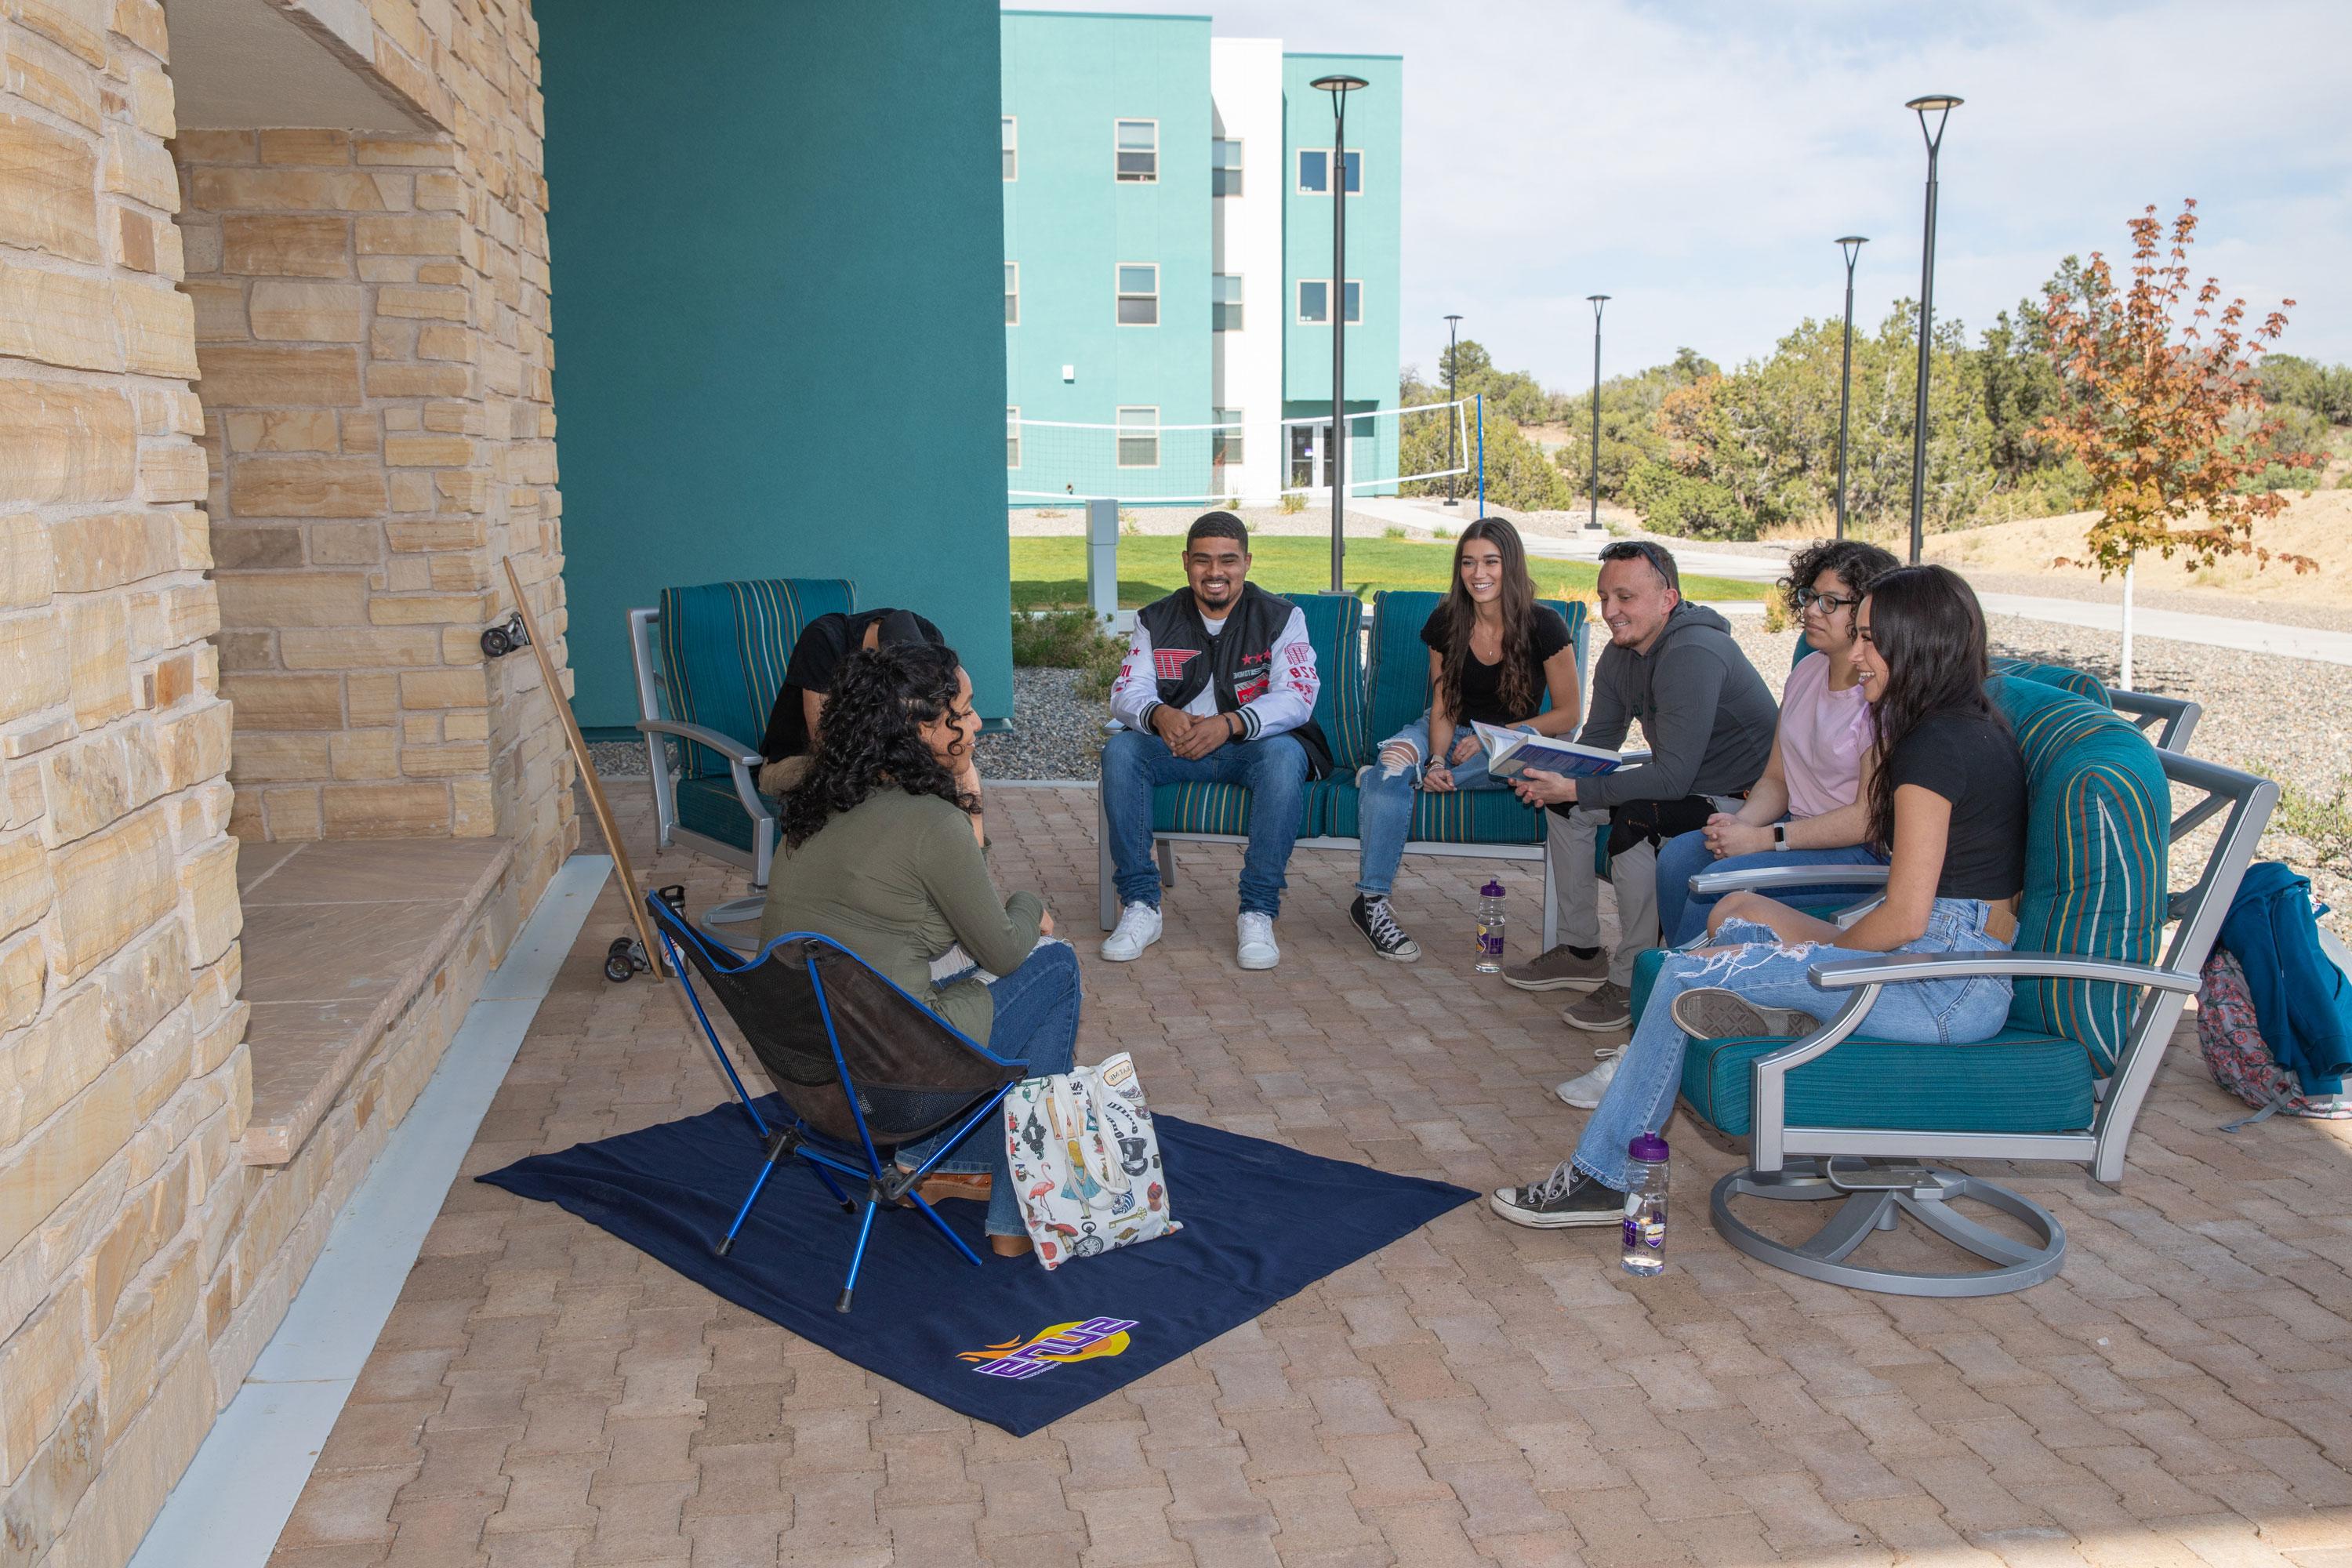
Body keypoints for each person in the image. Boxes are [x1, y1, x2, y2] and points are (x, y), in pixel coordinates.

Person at [1490, 565, 2028, 1230]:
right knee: (1740, 921)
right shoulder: (1960, 725)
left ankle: (1603, 1177)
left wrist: (1816, 955)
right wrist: (1794, 941)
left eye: (1868, 639)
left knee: (1688, 972)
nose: (1855, 655)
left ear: (1916, 643)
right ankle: (1783, 1015)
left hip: (1938, 983)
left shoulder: (1934, 748)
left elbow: (1905, 916)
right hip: (1946, 963)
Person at [1554, 539, 1900, 1109]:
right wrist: (1739, 827)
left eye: (1830, 602)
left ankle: (1650, 1041)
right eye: (1810, 596)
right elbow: (1776, 780)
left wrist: (1763, 839)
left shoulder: (1882, 695)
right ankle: (1673, 1007)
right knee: (1686, 855)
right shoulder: (1810, 672)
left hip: (1853, 857)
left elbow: (1867, 820)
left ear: (1871, 614)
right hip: (1793, 828)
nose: (1810, 609)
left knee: (1708, 881)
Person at [760, 641, 1073, 1258]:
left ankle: (935, 1161)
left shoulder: (818, 799)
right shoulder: (930, 821)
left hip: (806, 1073)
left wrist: (964, 785)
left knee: (957, 965)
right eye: (967, 710)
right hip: (895, 1086)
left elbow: (935, 918)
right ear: (926, 727)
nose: (979, 723)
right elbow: (1005, 950)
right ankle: (1016, 1213)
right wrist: (1031, 903)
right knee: (1053, 965)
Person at [1502, 540, 1777, 1032]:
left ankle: (1636, 977)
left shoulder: (1694, 651)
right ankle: (1582, 948)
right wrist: (1554, 776)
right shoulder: (1621, 653)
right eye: (1604, 597)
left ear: (1667, 599)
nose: (1610, 611)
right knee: (1563, 806)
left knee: (1634, 821)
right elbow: (1601, 742)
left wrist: (1577, 789)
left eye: (1625, 597)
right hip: (1686, 783)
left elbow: (1672, 777)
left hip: (1744, 799)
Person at [1101, 511, 1330, 971]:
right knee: (1122, 750)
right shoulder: (1155, 619)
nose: (1215, 572)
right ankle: (1141, 905)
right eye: (1203, 560)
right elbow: (1127, 691)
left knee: (1287, 757)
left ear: (1247, 562)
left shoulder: (1283, 617)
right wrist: (1158, 713)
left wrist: (1229, 724)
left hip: (1251, 748)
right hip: (1178, 747)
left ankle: (1258, 911)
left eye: (1228, 560)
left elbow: (1299, 696)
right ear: (1186, 562)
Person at [1348, 517, 1580, 961]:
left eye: (1490, 561)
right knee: (1397, 759)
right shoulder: (1446, 622)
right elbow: (1443, 705)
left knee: (1506, 761)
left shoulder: (1544, 625)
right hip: (1451, 731)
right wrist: (1436, 760)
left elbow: (1569, 713)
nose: (1479, 574)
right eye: (1469, 563)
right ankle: (1371, 902)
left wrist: (1496, 737)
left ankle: (1386, 780)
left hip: (1512, 740)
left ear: (1510, 565)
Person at [755, 607, 949, 795]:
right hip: (799, 759)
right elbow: (822, 744)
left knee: (946, 767)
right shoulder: (824, 640)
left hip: (879, 756)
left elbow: (946, 724)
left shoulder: (926, 637)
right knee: (871, 785)